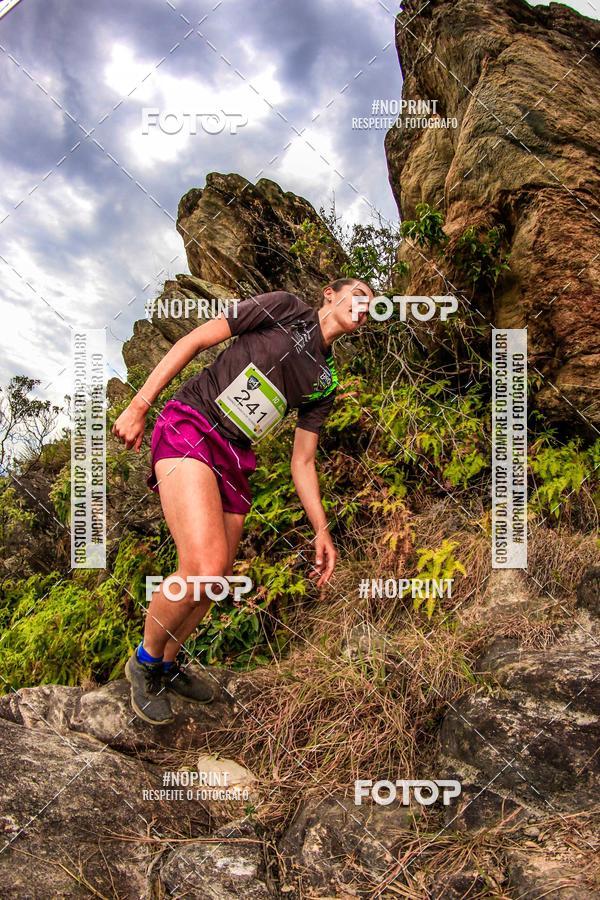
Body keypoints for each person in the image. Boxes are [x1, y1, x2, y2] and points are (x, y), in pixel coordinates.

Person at [112, 277, 374, 724]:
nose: (365, 308)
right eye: (360, 296)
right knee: (204, 565)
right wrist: (139, 405)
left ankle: (168, 664)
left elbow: (303, 460)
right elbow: (196, 339)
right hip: (192, 423)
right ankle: (144, 661)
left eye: (372, 307)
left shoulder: (325, 381)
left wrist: (321, 529)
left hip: (235, 455)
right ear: (330, 293)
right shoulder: (285, 307)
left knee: (216, 580)